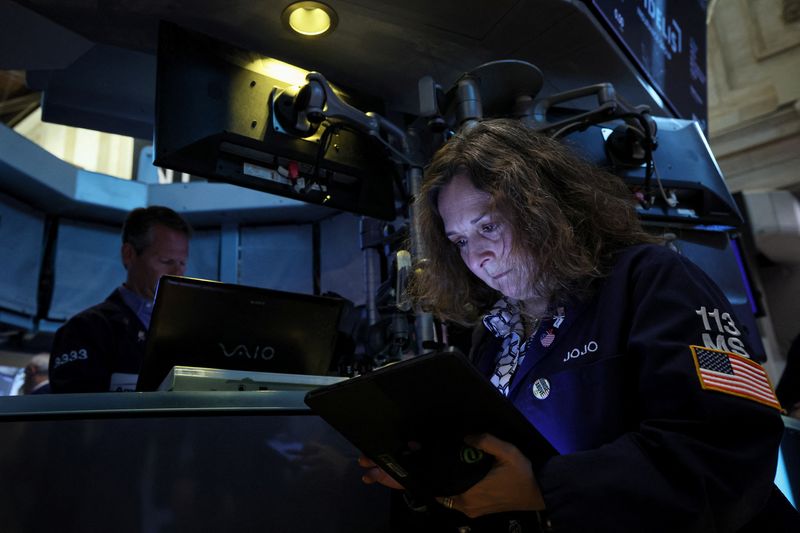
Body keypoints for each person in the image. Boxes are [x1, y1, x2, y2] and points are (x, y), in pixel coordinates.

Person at [359, 119, 798, 531]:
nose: (477, 258)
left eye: (488, 226)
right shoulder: (492, 337)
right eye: (459, 241)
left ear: (543, 206)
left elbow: (730, 444)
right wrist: (434, 473)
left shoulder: (653, 278)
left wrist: (546, 487)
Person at [49, 206, 191, 393]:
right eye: (166, 261)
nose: (177, 273)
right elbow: (76, 415)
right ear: (129, 255)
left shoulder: (187, 331)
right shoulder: (84, 330)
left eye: (182, 263)